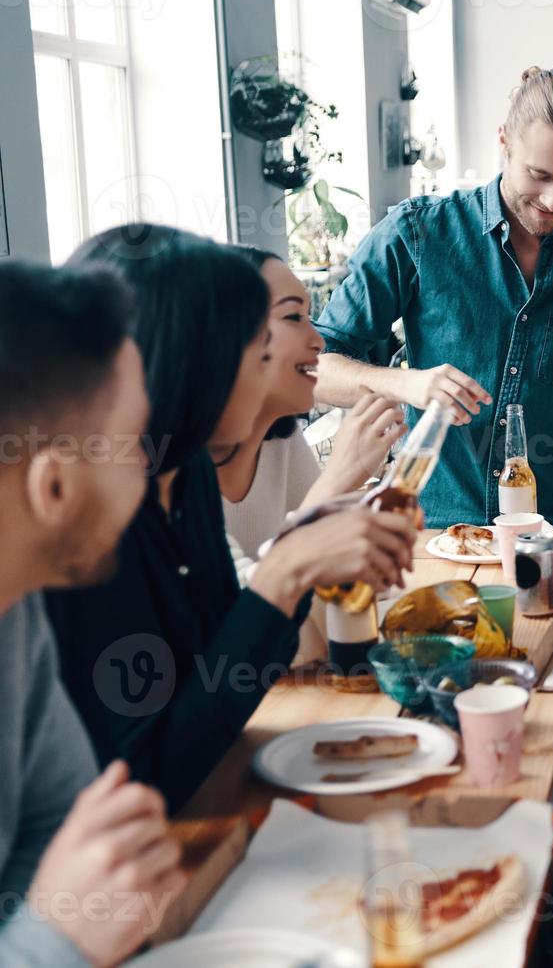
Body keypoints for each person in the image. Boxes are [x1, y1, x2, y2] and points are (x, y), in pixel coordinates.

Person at [45, 225, 419, 813]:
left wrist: (305, 560)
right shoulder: (92, 528)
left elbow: (228, 679)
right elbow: (150, 780)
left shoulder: (186, 477)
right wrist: (287, 569)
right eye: (252, 350)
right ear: (182, 361)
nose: (268, 365)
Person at [311, 66, 553, 527]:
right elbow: (315, 369)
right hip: (427, 533)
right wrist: (406, 383)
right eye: (538, 175)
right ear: (504, 142)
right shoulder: (417, 233)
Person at [0, 260, 184, 966]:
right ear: (53, 487)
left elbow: (56, 823)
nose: (149, 465)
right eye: (134, 443)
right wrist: (52, 941)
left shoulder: (15, 610)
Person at [217, 249, 404, 560]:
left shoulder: (281, 440)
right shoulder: (167, 469)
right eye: (293, 317)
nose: (318, 340)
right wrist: (338, 480)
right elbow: (239, 603)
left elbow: (316, 585)